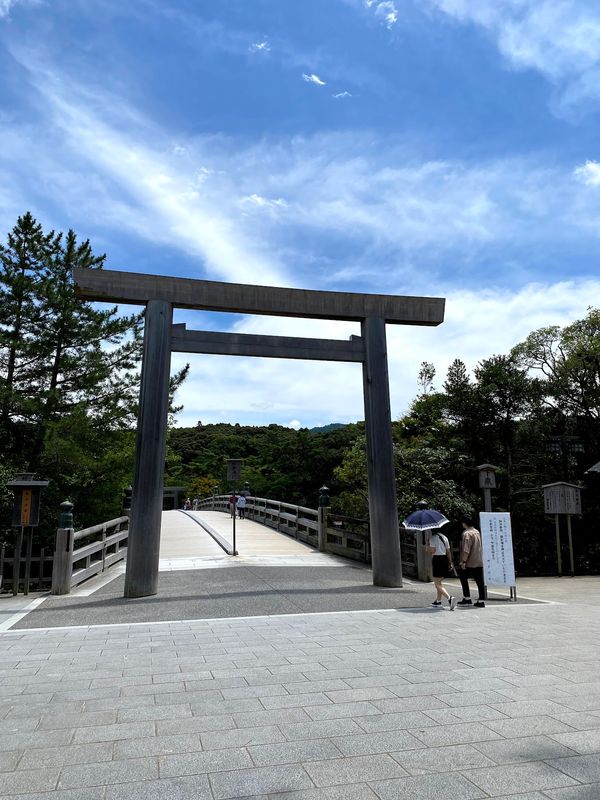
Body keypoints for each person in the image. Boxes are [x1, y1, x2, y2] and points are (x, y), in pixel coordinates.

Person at [458, 516, 486, 607]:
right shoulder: (477, 532)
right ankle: (481, 600)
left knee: (463, 577)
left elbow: (466, 550)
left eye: (463, 523)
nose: (462, 524)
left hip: (470, 561)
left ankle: (467, 598)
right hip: (479, 560)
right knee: (479, 580)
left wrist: (463, 561)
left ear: (465, 523)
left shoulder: (467, 534)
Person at [427, 530, 456, 610]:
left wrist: (427, 547)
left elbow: (432, 551)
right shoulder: (444, 537)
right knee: (439, 582)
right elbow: (448, 551)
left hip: (437, 559)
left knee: (437, 584)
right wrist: (450, 563)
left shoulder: (432, 538)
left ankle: (449, 598)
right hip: (445, 558)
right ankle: (438, 601)